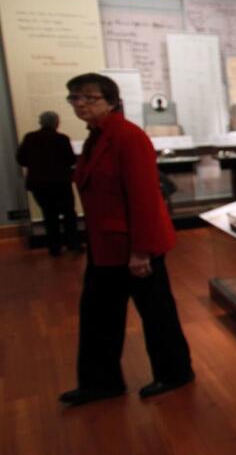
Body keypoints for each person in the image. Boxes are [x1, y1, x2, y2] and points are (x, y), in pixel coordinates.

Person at [59, 73, 193, 406]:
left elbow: (144, 197)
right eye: (75, 98)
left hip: (134, 247)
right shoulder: (98, 138)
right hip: (106, 245)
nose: (81, 104)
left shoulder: (128, 137)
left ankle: (174, 372)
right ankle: (100, 382)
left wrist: (141, 251)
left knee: (157, 313)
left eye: (89, 98)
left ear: (111, 100)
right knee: (98, 315)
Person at [16, 110, 81, 255]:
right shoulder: (62, 139)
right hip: (60, 183)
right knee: (69, 214)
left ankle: (54, 247)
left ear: (41, 122)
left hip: (39, 184)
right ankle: (73, 244)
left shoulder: (30, 138)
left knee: (49, 215)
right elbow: (70, 160)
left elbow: (21, 159)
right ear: (56, 123)